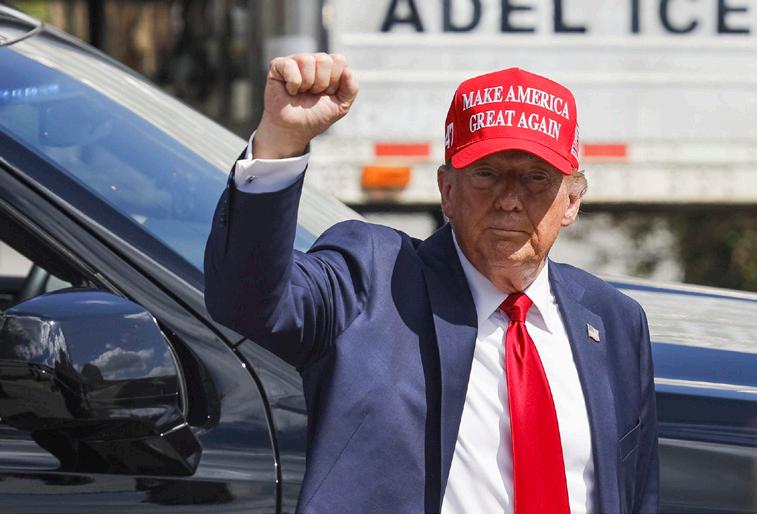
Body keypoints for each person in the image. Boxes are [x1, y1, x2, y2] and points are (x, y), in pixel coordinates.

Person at [204, 53, 659, 514]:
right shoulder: (374, 279)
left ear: (572, 202)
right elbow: (247, 300)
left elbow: (635, 493)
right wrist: (281, 142)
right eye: (486, 174)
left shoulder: (614, 322)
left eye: (536, 178)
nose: (509, 200)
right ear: (447, 191)